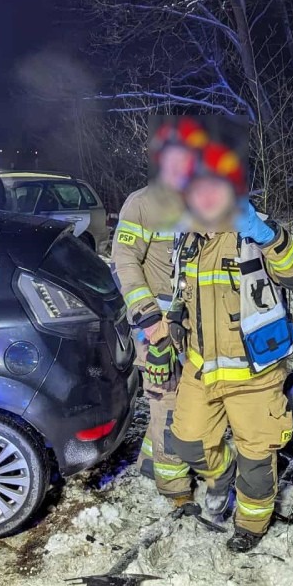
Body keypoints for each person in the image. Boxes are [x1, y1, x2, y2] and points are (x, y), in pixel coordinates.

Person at [168, 138, 293, 553]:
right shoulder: (188, 238)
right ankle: (222, 470)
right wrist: (176, 317)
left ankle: (251, 525)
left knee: (257, 460)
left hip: (255, 373)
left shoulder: (257, 231)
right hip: (202, 369)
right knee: (189, 443)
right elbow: (182, 292)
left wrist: (267, 235)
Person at [113, 117, 204, 509]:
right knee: (168, 403)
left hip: (195, 326)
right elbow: (124, 261)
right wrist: (149, 319)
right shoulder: (142, 203)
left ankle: (153, 462)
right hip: (158, 327)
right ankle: (175, 490)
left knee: (186, 399)